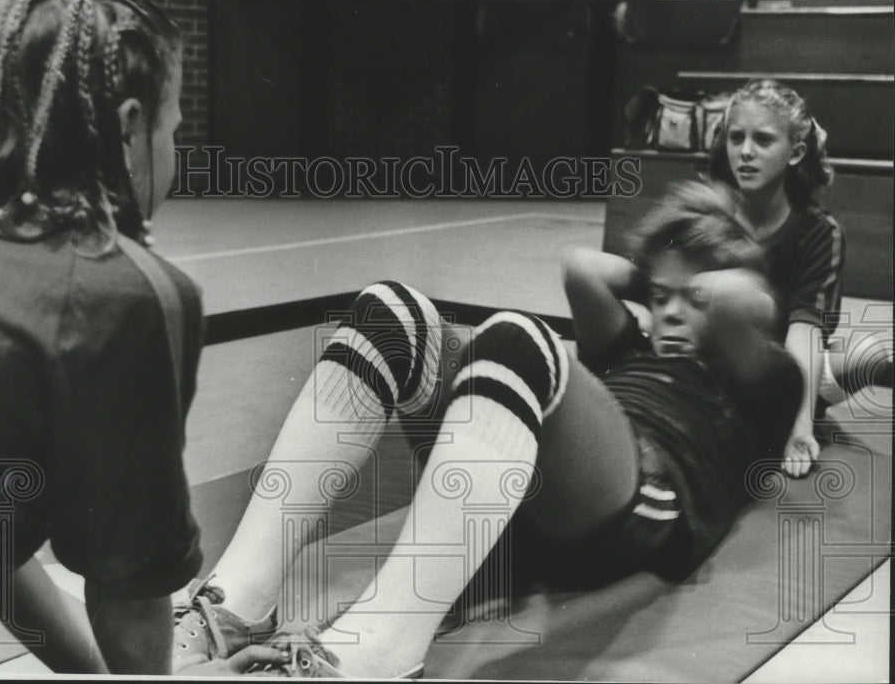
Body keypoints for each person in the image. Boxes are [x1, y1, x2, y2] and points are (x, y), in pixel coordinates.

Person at [169, 181, 803, 677]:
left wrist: (705, 259)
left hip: (646, 498)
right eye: (658, 297)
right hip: (520, 489)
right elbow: (580, 266)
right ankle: (236, 606)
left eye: (689, 300)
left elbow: (749, 304)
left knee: (521, 339)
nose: (668, 311)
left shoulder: (758, 388)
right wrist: (661, 271)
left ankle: (377, 655)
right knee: (390, 310)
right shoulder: (630, 348)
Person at [0, 0, 283, 675]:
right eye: (175, 127)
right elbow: (129, 583)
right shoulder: (120, 290)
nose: (175, 145)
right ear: (130, 129)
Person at [709, 79, 893, 478]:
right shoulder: (711, 214)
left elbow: (806, 330)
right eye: (736, 137)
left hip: (786, 372)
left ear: (795, 153)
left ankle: (783, 413)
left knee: (875, 351)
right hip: (720, 361)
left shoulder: (820, 232)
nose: (745, 152)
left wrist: (800, 425)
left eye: (763, 140)